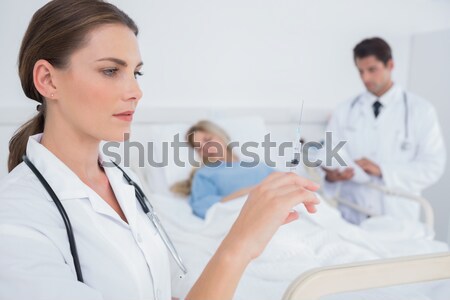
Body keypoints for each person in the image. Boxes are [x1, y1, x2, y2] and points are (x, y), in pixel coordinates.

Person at [0, 1, 320, 300]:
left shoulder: (124, 179)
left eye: (136, 73)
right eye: (111, 70)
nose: (136, 92)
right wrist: (240, 244)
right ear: (47, 80)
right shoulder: (17, 218)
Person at [322, 37, 446, 225]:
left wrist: (383, 170)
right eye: (360, 71)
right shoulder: (345, 110)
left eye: (372, 70)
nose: (365, 78)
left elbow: (433, 166)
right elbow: (329, 153)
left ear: (390, 65)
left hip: (398, 217)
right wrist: (331, 175)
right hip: (352, 213)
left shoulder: (420, 110)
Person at [171, 120, 275, 219]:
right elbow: (201, 206)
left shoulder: (258, 166)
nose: (204, 147)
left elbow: (287, 181)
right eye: (198, 147)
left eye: (207, 140)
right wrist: (246, 193)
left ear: (221, 136)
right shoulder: (205, 174)